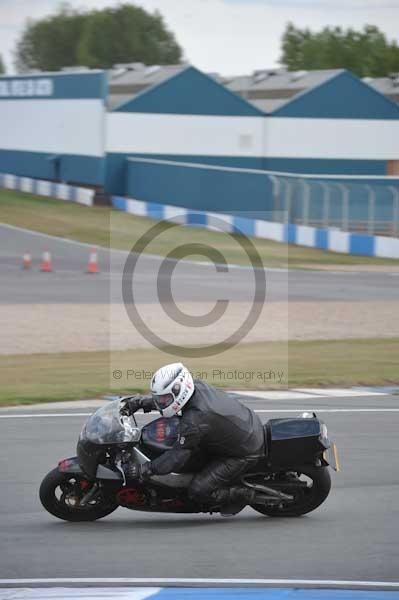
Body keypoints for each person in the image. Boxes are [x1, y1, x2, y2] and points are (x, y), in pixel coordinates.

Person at [124, 362, 266, 512]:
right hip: (243, 427)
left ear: (179, 391)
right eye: (159, 398)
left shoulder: (195, 419)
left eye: (163, 399)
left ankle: (243, 494)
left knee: (198, 490)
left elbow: (176, 457)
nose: (160, 403)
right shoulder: (194, 387)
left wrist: (146, 469)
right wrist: (140, 403)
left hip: (243, 451)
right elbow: (171, 401)